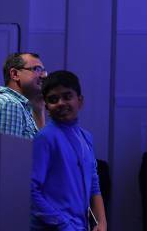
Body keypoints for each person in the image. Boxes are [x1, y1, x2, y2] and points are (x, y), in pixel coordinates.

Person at [31, 70, 107, 231]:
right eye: (53, 99)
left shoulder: (86, 138)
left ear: (80, 101)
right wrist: (63, 224)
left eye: (67, 96)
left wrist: (101, 222)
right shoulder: (45, 138)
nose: (60, 103)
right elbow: (31, 191)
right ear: (46, 107)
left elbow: (94, 184)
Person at [0, 52, 46, 139]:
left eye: (43, 71)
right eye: (36, 69)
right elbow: (8, 151)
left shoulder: (20, 106)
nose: (44, 75)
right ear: (15, 74)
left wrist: (39, 109)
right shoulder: (10, 104)